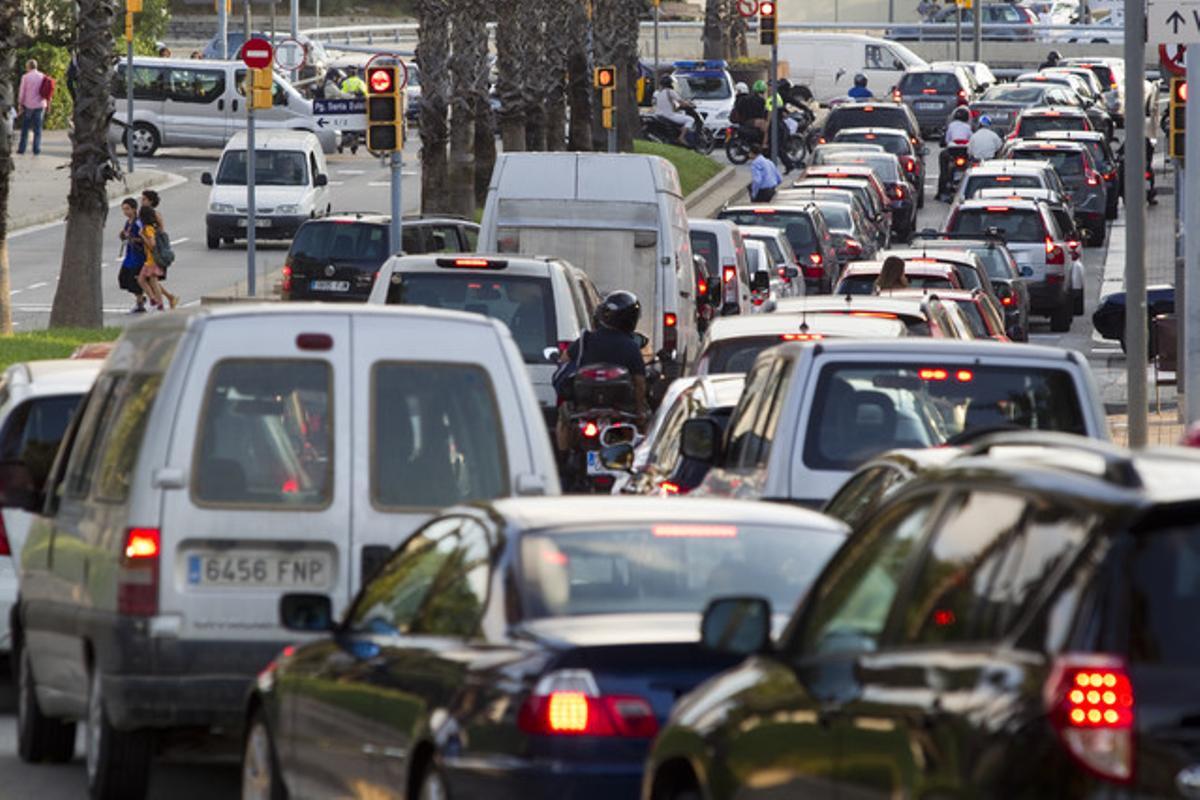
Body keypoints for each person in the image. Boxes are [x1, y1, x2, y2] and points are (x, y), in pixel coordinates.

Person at [555, 290, 648, 451]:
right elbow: (639, 383)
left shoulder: (586, 340)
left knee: (564, 416)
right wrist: (640, 413)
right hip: (621, 409)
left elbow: (564, 360)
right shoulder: (631, 346)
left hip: (584, 408)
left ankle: (561, 459)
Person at [937, 107, 975, 200]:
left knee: (943, 160)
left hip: (952, 151)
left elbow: (947, 140)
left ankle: (942, 188)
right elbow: (971, 139)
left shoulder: (951, 126)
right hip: (964, 151)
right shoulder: (968, 127)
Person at [118, 198, 147, 313]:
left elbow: (143, 238)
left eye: (127, 209)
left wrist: (132, 238)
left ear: (134, 209)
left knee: (135, 280)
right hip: (130, 255)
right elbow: (126, 236)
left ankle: (140, 302)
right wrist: (123, 235)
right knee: (124, 278)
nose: (125, 212)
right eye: (123, 209)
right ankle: (140, 298)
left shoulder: (138, 222)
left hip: (138, 256)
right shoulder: (128, 222)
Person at [16, 59, 47, 156]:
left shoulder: (25, 77)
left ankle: (22, 149)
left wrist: (20, 104)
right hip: (40, 104)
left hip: (28, 105)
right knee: (38, 128)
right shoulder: (42, 76)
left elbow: (22, 92)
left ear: (28, 67)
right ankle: (36, 149)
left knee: (25, 128)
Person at [653, 76, 693, 146]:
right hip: (669, 115)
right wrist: (689, 105)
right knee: (690, 119)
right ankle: (681, 137)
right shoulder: (670, 91)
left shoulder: (657, 93)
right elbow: (681, 102)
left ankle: (680, 130)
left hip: (659, 115)